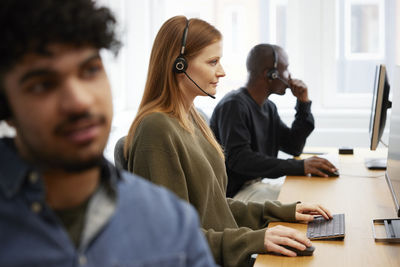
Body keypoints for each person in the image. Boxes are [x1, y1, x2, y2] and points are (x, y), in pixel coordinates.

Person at [0, 1, 216, 266]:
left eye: (90, 70)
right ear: (5, 103)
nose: (80, 101)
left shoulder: (171, 221)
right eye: (43, 84)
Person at [124, 16, 333, 267]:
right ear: (179, 65)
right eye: (212, 62)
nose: (222, 72)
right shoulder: (156, 130)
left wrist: (285, 212)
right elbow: (169, 239)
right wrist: (255, 240)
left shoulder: (193, 119)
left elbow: (214, 207)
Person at [210, 44, 338, 201]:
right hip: (233, 196)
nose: (290, 76)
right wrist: (300, 166)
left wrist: (303, 104)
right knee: (304, 202)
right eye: (286, 69)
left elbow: (294, 146)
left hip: (254, 187)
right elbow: (240, 159)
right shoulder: (233, 105)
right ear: (271, 74)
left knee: (310, 195)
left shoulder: (268, 107)